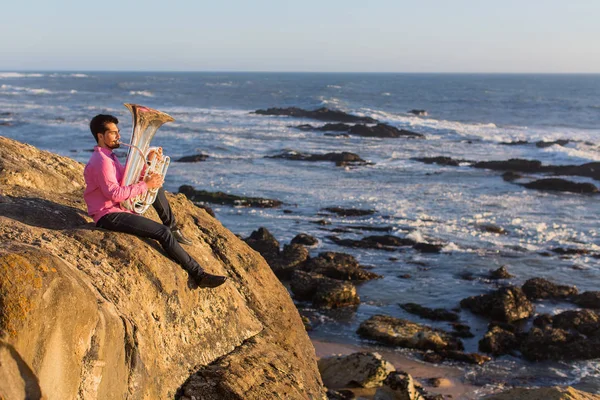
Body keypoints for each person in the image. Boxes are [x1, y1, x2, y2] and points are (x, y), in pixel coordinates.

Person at [83, 114, 227, 288]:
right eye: (113, 133)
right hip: (108, 216)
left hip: (120, 210)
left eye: (118, 132)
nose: (119, 136)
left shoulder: (109, 157)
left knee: (155, 188)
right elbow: (114, 193)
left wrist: (149, 163)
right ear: (100, 135)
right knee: (162, 233)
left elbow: (126, 182)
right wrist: (145, 184)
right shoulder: (101, 161)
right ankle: (199, 275)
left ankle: (172, 227)